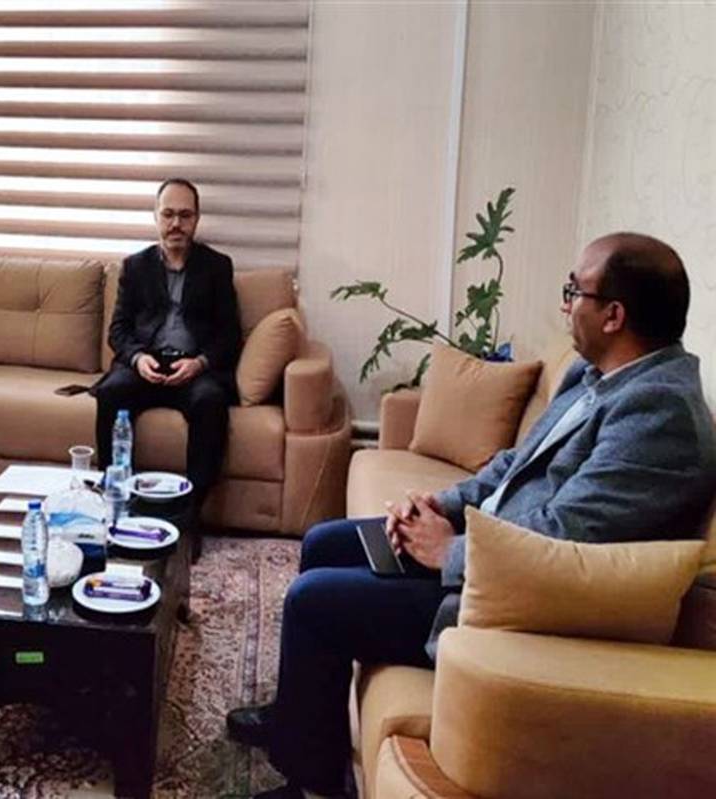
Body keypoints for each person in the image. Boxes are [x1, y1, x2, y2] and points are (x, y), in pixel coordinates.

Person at [225, 232, 716, 799]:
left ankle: (312, 787)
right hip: (491, 547)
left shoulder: (660, 415)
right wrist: (443, 505)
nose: (564, 306)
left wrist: (449, 551)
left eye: (573, 291)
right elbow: (516, 464)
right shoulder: (597, 376)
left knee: (314, 602)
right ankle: (300, 720)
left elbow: (567, 539)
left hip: (513, 597)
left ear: (613, 316)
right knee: (325, 543)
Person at [93, 178, 241, 509]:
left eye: (185, 215)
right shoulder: (135, 266)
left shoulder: (217, 267)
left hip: (194, 368)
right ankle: (117, 499)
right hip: (146, 364)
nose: (176, 224)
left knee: (210, 401)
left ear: (197, 219)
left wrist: (200, 363)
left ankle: (191, 511)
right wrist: (137, 358)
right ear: (156, 216)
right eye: (168, 214)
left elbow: (229, 334)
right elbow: (118, 330)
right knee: (111, 392)